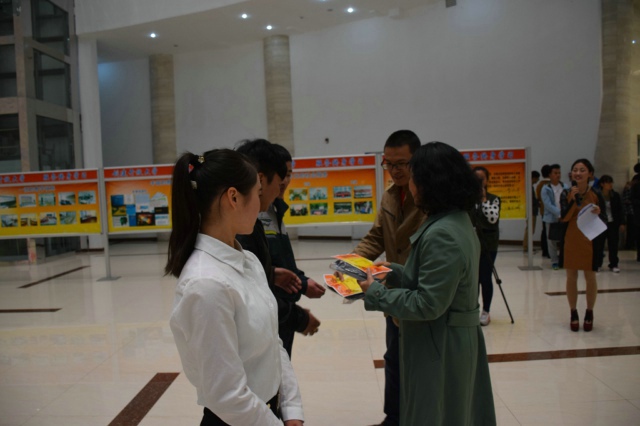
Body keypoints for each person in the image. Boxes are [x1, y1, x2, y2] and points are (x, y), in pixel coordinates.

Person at [356, 142, 496, 426]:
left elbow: (428, 303)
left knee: (436, 413)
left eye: (413, 176)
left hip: (441, 344)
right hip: (450, 338)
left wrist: (376, 292)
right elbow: (438, 280)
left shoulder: (442, 233)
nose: (410, 183)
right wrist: (393, 272)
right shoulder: (456, 220)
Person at [166, 149, 304, 425]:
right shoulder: (206, 285)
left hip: (266, 412)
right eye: (257, 193)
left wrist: (291, 408)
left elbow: (272, 341)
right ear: (233, 197)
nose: (261, 204)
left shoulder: (248, 260)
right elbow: (227, 395)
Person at [351, 130, 425, 426]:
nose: (395, 170)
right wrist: (351, 263)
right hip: (393, 294)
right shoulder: (390, 195)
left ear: (417, 161)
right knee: (393, 358)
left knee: (419, 363)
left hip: (419, 293)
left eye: (402, 163)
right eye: (389, 164)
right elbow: (377, 236)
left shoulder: (428, 198)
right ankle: (393, 418)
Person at [259, 144, 325, 357]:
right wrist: (300, 318)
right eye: (281, 175)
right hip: (272, 317)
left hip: (283, 313)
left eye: (288, 175)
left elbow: (282, 263)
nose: (284, 182)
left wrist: (302, 282)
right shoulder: (251, 219)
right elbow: (257, 282)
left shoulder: (275, 209)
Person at [560, 159, 602, 332]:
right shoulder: (566, 192)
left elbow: (604, 220)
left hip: (591, 239)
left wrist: (599, 212)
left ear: (590, 174)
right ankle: (573, 311)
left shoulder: (596, 193)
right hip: (571, 237)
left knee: (590, 276)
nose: (578, 173)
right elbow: (564, 218)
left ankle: (589, 311)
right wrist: (572, 199)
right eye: (575, 170)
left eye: (582, 170)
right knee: (571, 276)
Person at [472, 166, 500, 326]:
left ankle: (486, 311)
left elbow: (492, 219)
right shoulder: (468, 200)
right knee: (473, 279)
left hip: (489, 245)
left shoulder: (493, 199)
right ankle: (472, 309)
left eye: (481, 179)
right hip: (472, 245)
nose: (478, 182)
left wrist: (483, 198)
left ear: (487, 180)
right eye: (475, 179)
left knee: (485, 277)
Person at [595, 175, 623, 273]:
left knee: (613, 245)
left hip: (613, 223)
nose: (610, 184)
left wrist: (622, 222)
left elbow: (620, 209)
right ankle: (598, 264)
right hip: (601, 223)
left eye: (611, 182)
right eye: (608, 182)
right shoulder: (597, 195)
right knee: (599, 245)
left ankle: (614, 264)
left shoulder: (615, 195)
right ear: (602, 184)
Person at [541, 164, 565, 270]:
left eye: (559, 173)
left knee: (564, 239)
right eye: (555, 173)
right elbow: (547, 204)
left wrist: (564, 214)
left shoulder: (565, 187)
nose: (558, 175)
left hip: (564, 217)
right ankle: (554, 261)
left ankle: (563, 260)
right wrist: (559, 213)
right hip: (551, 218)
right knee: (551, 241)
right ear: (550, 175)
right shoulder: (545, 188)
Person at [535, 165, 552, 258]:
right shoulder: (550, 184)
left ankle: (545, 250)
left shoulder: (539, 185)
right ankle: (548, 251)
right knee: (549, 232)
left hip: (543, 210)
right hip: (550, 211)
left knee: (545, 230)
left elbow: (538, 197)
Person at [523, 170, 540, 251]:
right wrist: (538, 202)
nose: (538, 180)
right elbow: (531, 200)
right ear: (534, 178)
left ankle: (527, 246)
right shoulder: (528, 187)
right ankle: (526, 246)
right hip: (531, 211)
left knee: (530, 229)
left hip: (532, 210)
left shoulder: (530, 186)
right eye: (537, 178)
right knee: (530, 229)